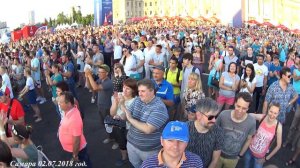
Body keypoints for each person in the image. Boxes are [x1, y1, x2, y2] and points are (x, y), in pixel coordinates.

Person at [120, 79, 169, 168]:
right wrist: (121, 115)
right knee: (135, 165)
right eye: (139, 91)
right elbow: (127, 114)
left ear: (152, 91)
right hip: (131, 144)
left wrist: (129, 118)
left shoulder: (159, 107)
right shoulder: (138, 100)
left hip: (148, 150)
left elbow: (148, 129)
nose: (139, 94)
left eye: (143, 91)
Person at [216, 92, 256, 168]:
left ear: (248, 108)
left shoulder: (251, 122)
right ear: (234, 103)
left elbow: (249, 139)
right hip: (218, 154)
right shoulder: (223, 115)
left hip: (233, 159)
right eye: (238, 106)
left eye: (244, 108)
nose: (240, 110)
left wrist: (240, 155)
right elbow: (214, 131)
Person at [186, 98, 224, 168]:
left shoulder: (218, 132)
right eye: (210, 117)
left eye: (215, 116)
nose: (214, 120)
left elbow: (215, 160)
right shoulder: (185, 128)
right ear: (198, 115)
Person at [58, 91, 91, 167]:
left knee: (84, 164)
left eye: (61, 102)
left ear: (69, 104)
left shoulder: (74, 119)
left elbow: (76, 140)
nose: (59, 104)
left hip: (78, 151)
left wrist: (75, 155)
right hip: (73, 149)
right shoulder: (70, 110)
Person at [244, 103, 282, 168]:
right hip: (249, 151)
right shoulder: (262, 117)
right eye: (271, 111)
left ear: (278, 114)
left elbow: (278, 145)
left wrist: (266, 158)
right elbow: (249, 115)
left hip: (260, 157)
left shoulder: (278, 127)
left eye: (275, 113)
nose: (272, 115)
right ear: (268, 110)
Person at [110, 78, 137, 166]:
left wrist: (122, 103)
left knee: (130, 143)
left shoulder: (135, 101)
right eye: (124, 87)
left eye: (128, 88)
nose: (124, 90)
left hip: (129, 127)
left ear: (133, 90)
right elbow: (112, 113)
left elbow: (125, 117)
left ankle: (132, 158)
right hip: (118, 125)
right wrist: (115, 102)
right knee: (121, 142)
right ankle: (124, 157)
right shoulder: (119, 95)